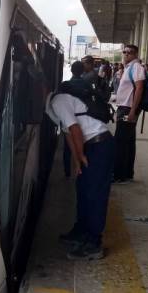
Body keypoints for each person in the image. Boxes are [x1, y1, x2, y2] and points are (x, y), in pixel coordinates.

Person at [47, 86, 114, 260]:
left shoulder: (58, 101)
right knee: (83, 190)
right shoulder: (51, 106)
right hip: (90, 145)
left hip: (99, 145)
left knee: (95, 194)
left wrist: (81, 155)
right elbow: (68, 133)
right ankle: (81, 232)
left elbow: (75, 129)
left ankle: (94, 243)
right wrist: (77, 161)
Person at [113, 44, 145, 183]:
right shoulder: (128, 68)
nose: (126, 54)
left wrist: (133, 111)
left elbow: (139, 89)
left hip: (127, 109)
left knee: (120, 142)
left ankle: (119, 176)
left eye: (130, 52)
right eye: (124, 52)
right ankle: (127, 174)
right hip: (124, 107)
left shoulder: (136, 67)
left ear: (136, 54)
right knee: (129, 142)